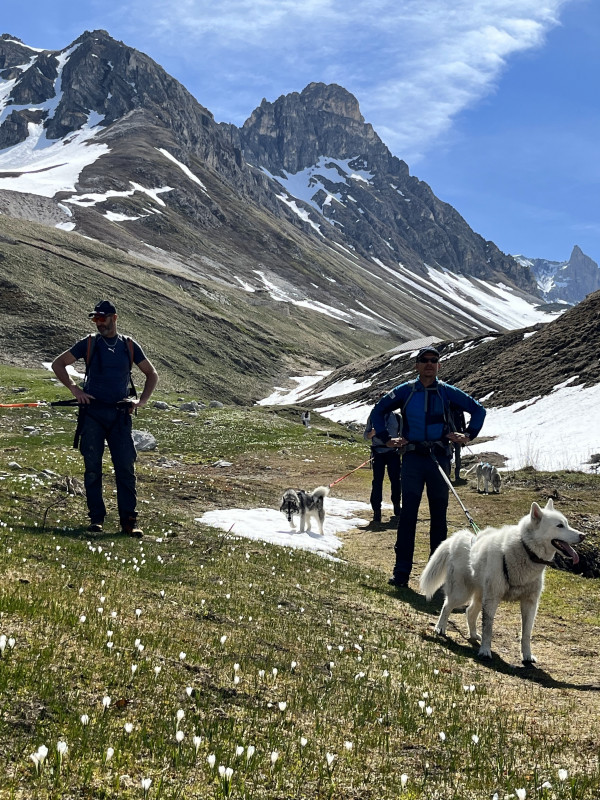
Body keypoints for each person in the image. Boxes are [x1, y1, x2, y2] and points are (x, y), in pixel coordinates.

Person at [369, 346, 486, 588]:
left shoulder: (447, 392)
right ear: (417, 365)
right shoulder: (405, 391)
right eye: (424, 360)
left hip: (439, 459)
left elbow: (478, 410)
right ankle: (401, 574)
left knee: (439, 519)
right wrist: (384, 437)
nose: (429, 364)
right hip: (412, 459)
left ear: (439, 365)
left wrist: (468, 435)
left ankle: (439, 578)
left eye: (434, 360)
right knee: (408, 516)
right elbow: (378, 410)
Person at [51, 300, 159, 536]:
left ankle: (129, 522)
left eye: (102, 318)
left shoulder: (129, 345)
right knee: (92, 468)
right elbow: (58, 364)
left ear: (114, 318)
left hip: (120, 416)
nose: (98, 323)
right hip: (92, 415)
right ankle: (96, 519)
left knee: (125, 468)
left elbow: (151, 374)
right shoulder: (88, 343)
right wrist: (75, 390)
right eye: (95, 319)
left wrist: (141, 402)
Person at [364, 404, 401, 524]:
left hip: (393, 453)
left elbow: (403, 434)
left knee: (396, 480)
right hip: (378, 453)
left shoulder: (397, 417)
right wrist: (372, 433)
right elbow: (366, 435)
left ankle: (397, 506)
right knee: (377, 482)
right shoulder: (373, 416)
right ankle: (376, 511)